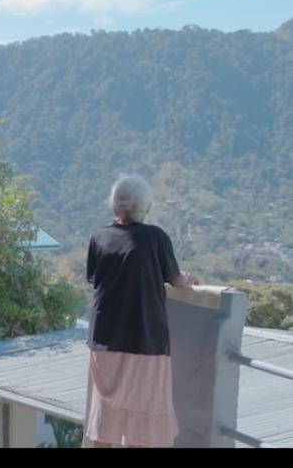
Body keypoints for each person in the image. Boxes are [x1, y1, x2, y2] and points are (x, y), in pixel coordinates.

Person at [83, 173, 199, 448]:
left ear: (114, 206)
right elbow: (176, 280)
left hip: (104, 340)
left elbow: (93, 278)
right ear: (145, 207)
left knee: (106, 415)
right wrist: (188, 278)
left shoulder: (99, 236)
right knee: (144, 417)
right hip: (144, 340)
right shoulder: (155, 237)